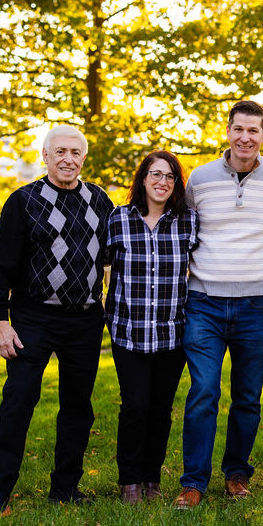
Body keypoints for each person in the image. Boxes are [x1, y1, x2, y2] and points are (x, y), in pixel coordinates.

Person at [0, 124, 114, 513]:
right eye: (60, 152)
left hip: (85, 319)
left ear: (84, 158)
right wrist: (1, 321)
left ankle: (65, 488)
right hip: (33, 316)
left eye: (75, 152)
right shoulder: (23, 201)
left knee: (78, 406)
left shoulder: (99, 200)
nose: (68, 159)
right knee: (19, 400)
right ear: (45, 156)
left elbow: (112, 254)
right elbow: (0, 267)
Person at [173, 100, 263, 509]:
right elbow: (181, 225)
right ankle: (193, 482)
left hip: (256, 305)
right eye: (238, 129)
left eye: (253, 130)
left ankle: (237, 474)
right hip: (204, 303)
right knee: (203, 391)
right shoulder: (201, 178)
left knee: (247, 397)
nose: (245, 137)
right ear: (227, 131)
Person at [104, 150, 198, 504]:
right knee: (134, 405)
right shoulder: (118, 219)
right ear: (143, 179)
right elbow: (96, 262)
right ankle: (129, 481)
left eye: (170, 176)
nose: (162, 181)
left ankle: (151, 479)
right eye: (156, 174)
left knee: (160, 410)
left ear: (176, 184)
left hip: (171, 333)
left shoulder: (188, 222)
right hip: (128, 331)